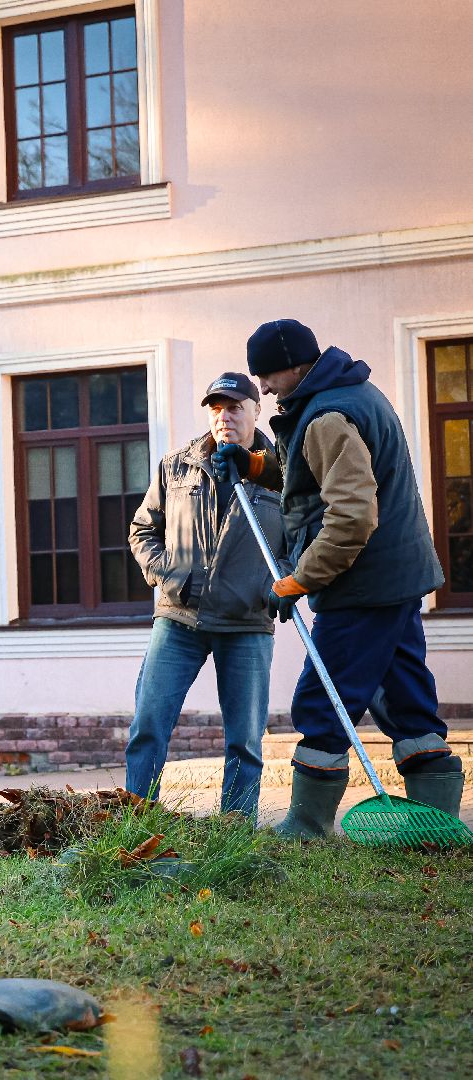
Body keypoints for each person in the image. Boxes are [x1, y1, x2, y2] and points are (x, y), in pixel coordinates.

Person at [216, 318, 464, 837]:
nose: (261, 387)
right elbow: (308, 474)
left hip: (362, 584)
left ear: (293, 365)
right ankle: (438, 824)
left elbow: (351, 516)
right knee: (405, 695)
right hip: (393, 579)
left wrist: (298, 580)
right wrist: (256, 465)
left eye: (265, 375)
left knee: (323, 699)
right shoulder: (352, 394)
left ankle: (307, 826)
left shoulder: (329, 416)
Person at [126, 372, 283, 821]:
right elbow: (143, 530)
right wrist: (170, 577)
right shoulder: (177, 465)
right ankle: (137, 824)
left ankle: (235, 833)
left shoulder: (283, 472)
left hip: (247, 622)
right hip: (179, 619)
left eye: (234, 407)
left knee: (245, 738)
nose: (224, 416)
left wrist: (279, 585)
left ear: (256, 409)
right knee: (149, 725)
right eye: (216, 408)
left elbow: (303, 540)